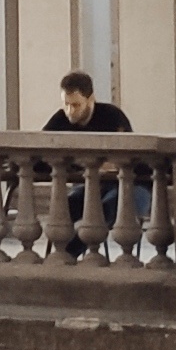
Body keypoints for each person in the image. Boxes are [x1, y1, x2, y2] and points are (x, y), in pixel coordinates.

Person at [42, 71, 136, 257]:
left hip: (130, 185)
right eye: (66, 104)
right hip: (89, 184)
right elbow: (40, 154)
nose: (70, 111)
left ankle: (68, 255)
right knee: (65, 207)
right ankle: (62, 255)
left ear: (90, 99)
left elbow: (130, 159)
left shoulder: (112, 116)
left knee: (108, 206)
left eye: (76, 105)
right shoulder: (60, 120)